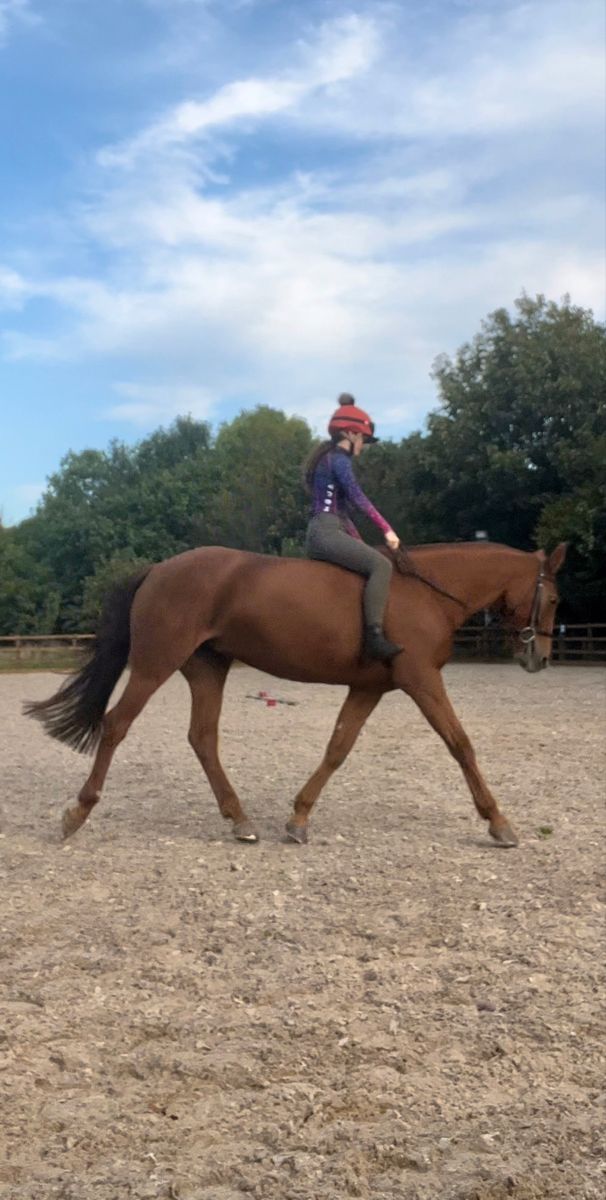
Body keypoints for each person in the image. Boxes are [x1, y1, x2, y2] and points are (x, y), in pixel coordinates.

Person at [304, 394, 403, 663]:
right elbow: (359, 498)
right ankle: (374, 638)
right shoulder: (339, 460)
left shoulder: (327, 459)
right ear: (350, 433)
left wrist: (359, 540)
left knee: (369, 561)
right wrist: (387, 530)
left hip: (325, 529)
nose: (365, 446)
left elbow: (344, 513)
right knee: (382, 566)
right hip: (327, 532)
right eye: (365, 440)